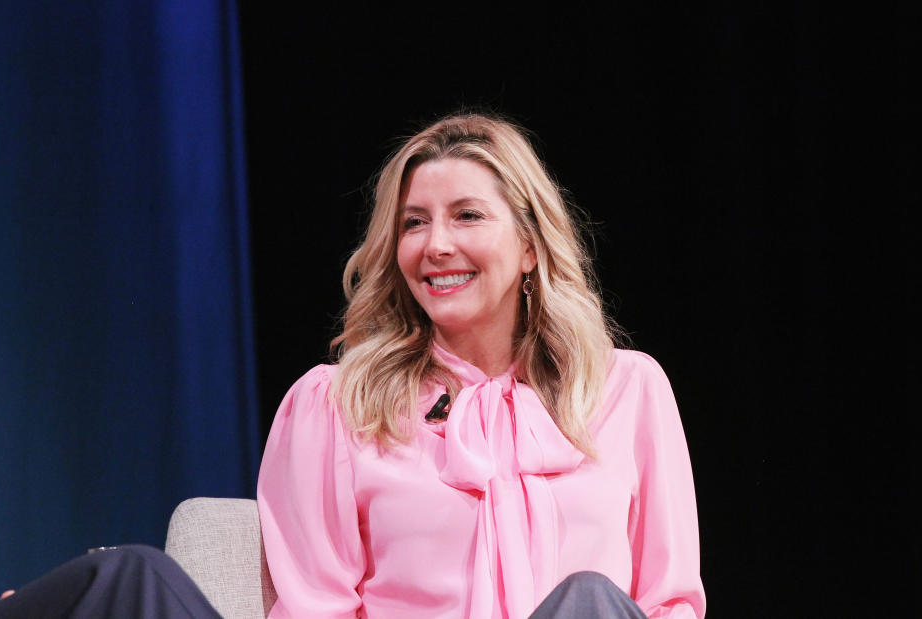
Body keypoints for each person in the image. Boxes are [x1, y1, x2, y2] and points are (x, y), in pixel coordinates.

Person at [256, 113, 706, 618]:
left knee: (590, 597)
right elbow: (315, 610)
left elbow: (669, 603)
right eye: (414, 222)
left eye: (467, 215)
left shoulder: (628, 389)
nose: (437, 244)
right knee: (145, 574)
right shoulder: (338, 407)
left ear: (530, 247)